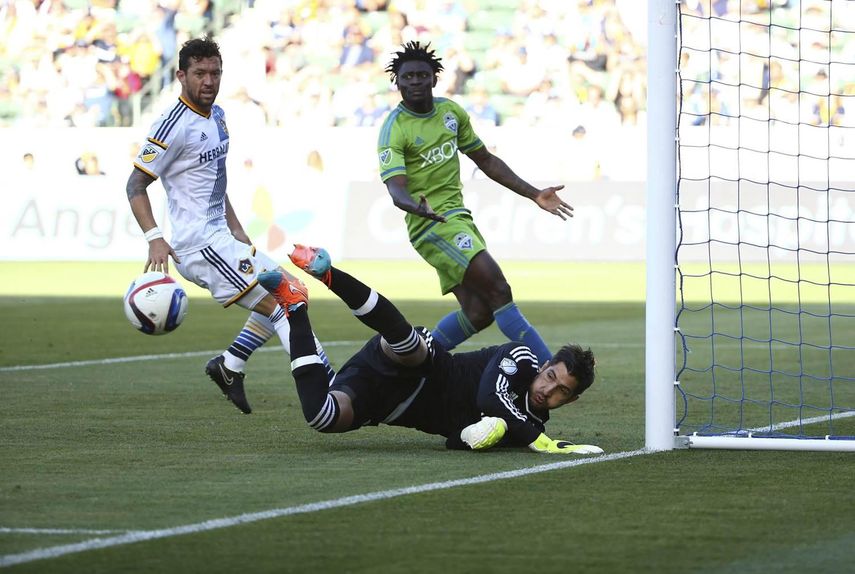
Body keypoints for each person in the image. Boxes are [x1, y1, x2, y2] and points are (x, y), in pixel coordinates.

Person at [125, 37, 329, 415]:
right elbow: (135, 185)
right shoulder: (171, 125)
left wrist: (235, 227)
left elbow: (214, 180)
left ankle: (230, 365)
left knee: (294, 291)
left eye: (215, 73)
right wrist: (155, 238)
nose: (208, 81)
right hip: (199, 245)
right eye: (199, 73)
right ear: (181, 76)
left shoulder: (217, 115)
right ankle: (328, 385)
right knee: (286, 304)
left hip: (221, 236)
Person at [257, 244, 603, 454]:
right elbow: (489, 397)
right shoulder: (522, 359)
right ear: (545, 365)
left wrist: (478, 436)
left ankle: (294, 305)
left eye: (561, 391)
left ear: (571, 400)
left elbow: (454, 440)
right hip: (426, 368)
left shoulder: (530, 423)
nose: (548, 390)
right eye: (551, 376)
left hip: (390, 406)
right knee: (408, 345)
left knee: (322, 417)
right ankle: (328, 274)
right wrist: (538, 441)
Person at [377, 41, 573, 363]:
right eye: (407, 77)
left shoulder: (451, 113)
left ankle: (415, 366)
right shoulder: (394, 129)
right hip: (432, 225)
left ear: (434, 79)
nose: (415, 82)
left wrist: (534, 193)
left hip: (458, 218)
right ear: (396, 82)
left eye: (421, 75)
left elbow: (486, 160)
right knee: (499, 290)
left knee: (479, 312)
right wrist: (415, 206)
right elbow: (396, 189)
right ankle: (549, 370)